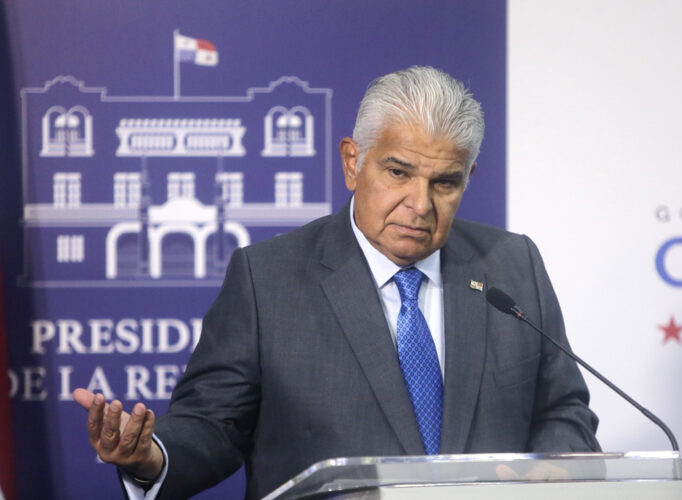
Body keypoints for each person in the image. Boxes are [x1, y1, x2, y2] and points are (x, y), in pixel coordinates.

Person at [74, 66, 599, 499]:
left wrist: (553, 467)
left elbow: (562, 409)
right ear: (353, 162)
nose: (420, 204)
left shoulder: (511, 264)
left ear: (468, 179)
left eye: (444, 182)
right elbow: (215, 424)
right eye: (398, 173)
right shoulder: (268, 278)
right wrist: (151, 455)